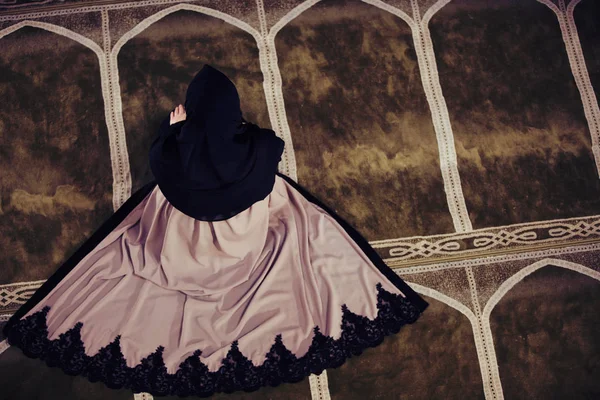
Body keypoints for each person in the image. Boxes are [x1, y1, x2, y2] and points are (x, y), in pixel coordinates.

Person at [3, 65, 428, 397]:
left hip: (185, 241)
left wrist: (176, 131)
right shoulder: (263, 150)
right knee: (283, 204)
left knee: (161, 212)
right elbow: (266, 143)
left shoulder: (169, 158)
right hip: (244, 240)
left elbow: (165, 156)